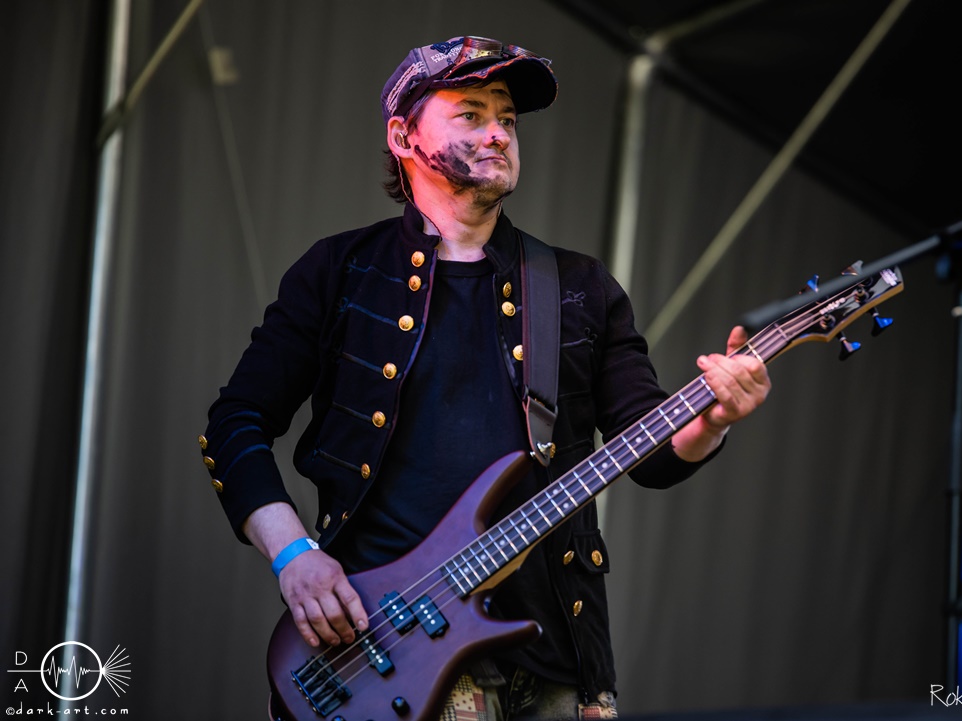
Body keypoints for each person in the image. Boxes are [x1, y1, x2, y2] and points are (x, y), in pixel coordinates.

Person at [200, 35, 770, 720]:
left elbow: (649, 451)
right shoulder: (340, 271)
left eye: (507, 118)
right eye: (471, 114)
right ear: (403, 137)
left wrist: (714, 419)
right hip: (389, 650)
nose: (498, 132)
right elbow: (235, 423)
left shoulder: (579, 286)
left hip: (560, 656)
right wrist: (294, 554)